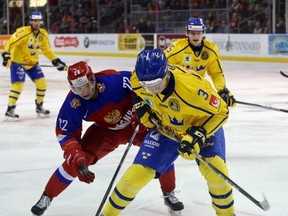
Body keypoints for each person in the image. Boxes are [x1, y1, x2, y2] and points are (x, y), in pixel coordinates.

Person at [30, 61, 183, 216]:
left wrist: (141, 111)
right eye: (78, 88)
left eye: (87, 85)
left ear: (93, 79)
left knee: (161, 152)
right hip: (106, 132)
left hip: (135, 125)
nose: (84, 91)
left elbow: (141, 88)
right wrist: (74, 151)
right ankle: (47, 196)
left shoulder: (114, 81)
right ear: (72, 88)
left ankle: (169, 193)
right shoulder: (74, 103)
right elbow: (66, 132)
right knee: (75, 161)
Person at [101, 49, 236, 216]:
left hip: (199, 126)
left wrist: (198, 134)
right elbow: (138, 93)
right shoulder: (139, 78)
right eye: (146, 85)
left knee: (217, 174)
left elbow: (222, 112)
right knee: (135, 176)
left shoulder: (192, 90)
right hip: (165, 129)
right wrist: (140, 106)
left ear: (166, 74)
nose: (152, 90)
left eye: (156, 83)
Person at [1, 11, 66, 120]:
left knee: (42, 84)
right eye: (34, 20)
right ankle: (10, 108)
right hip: (18, 63)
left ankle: (39, 106)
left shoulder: (43, 34)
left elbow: (47, 50)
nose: (36, 23)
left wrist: (56, 61)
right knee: (18, 84)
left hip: (32, 64)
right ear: (30, 21)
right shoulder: (23, 32)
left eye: (38, 21)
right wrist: (6, 54)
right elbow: (10, 43)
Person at [164, 17, 236, 108]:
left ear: (203, 33)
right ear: (188, 33)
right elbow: (162, 66)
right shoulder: (176, 48)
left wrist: (222, 90)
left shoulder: (211, 49)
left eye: (199, 33)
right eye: (193, 33)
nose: (196, 36)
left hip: (198, 91)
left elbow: (216, 73)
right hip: (177, 91)